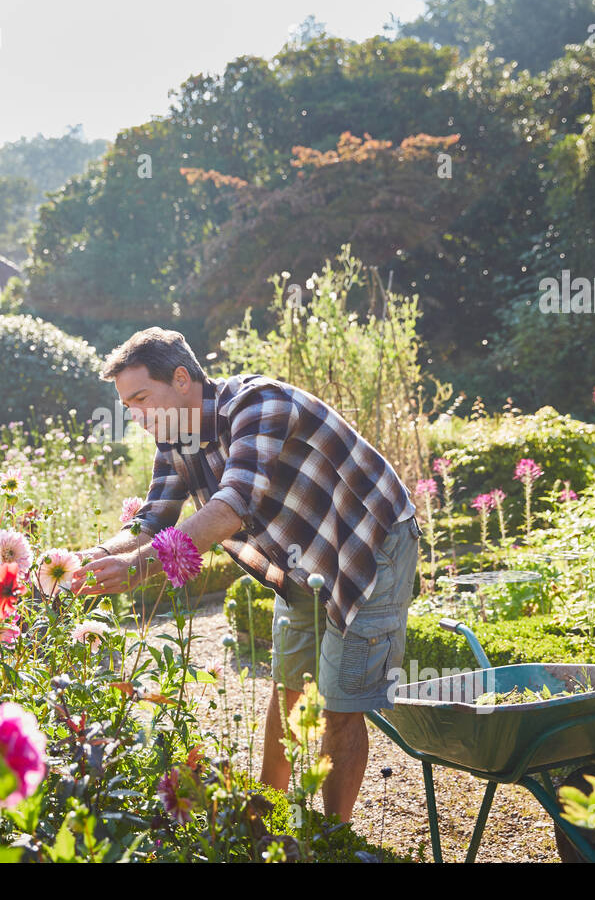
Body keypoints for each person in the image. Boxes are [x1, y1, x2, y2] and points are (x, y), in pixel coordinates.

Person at [69, 327, 421, 823]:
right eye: (128, 406)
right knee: (288, 685)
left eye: (141, 398)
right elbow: (151, 520)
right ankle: (266, 821)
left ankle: (335, 839)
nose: (136, 415)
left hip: (368, 538)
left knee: (340, 703)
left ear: (182, 378)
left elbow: (232, 505)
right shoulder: (176, 437)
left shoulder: (258, 404)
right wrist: (86, 558)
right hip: (303, 557)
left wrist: (137, 567)